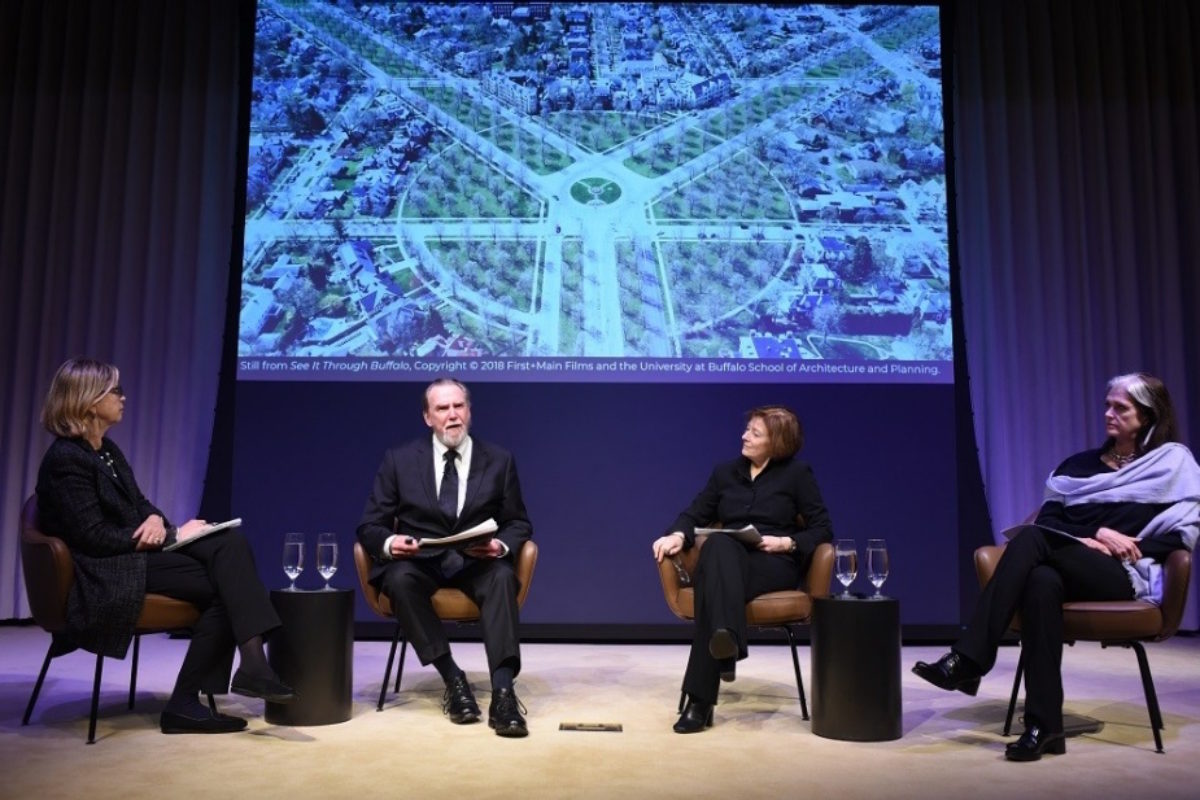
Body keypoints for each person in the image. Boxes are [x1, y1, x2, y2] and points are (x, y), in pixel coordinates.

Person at [914, 372, 1200, 761]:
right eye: (1107, 405)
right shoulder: (1078, 467)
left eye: (1120, 408)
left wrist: (1122, 546)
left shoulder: (1173, 462)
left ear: (1147, 416)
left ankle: (969, 658)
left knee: (1030, 540)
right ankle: (1044, 727)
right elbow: (1049, 519)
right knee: (1041, 581)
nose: (1108, 414)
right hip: (1070, 566)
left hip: (1123, 575)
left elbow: (1181, 535)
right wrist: (1097, 531)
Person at [35, 358, 295, 735]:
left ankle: (248, 666)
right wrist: (172, 536)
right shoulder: (66, 460)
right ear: (90, 401)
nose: (124, 398)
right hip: (105, 570)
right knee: (224, 587)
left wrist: (158, 521)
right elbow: (92, 537)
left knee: (228, 541)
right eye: (116, 391)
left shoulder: (105, 449)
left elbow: (140, 504)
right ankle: (210, 688)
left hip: (130, 554)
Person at [357, 378, 533, 737]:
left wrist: (499, 546)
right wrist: (392, 543)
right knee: (399, 579)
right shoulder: (400, 460)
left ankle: (503, 691)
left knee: (501, 576)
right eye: (442, 408)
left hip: (476, 562)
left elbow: (518, 522)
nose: (452, 415)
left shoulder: (499, 460)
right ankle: (453, 680)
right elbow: (370, 526)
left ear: (469, 411)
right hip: (421, 563)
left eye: (459, 407)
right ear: (427, 417)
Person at [652, 405, 834, 733]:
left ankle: (700, 702)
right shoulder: (725, 473)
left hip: (771, 563)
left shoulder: (797, 475)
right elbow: (693, 514)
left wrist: (787, 543)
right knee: (720, 546)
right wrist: (678, 534)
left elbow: (822, 529)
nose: (744, 436)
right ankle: (726, 643)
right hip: (727, 560)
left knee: (712, 585)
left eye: (754, 433)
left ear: (777, 442)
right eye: (747, 429)